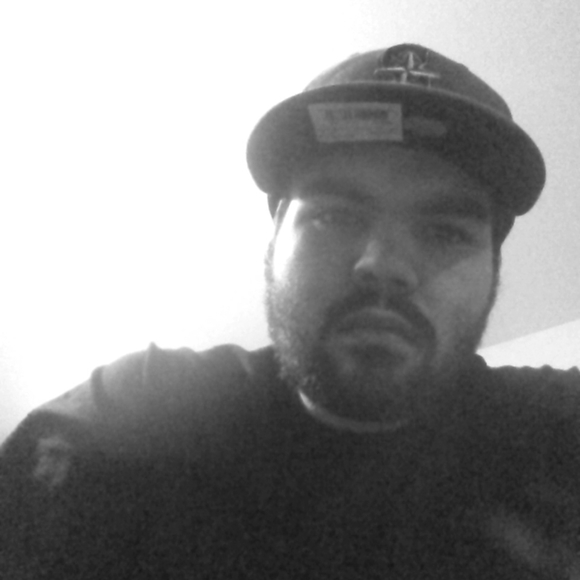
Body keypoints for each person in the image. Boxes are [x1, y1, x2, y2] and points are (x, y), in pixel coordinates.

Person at [1, 43, 579, 579]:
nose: (383, 265)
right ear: (275, 237)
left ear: (494, 266)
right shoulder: (139, 411)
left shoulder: (556, 434)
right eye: (334, 216)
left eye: (445, 232)